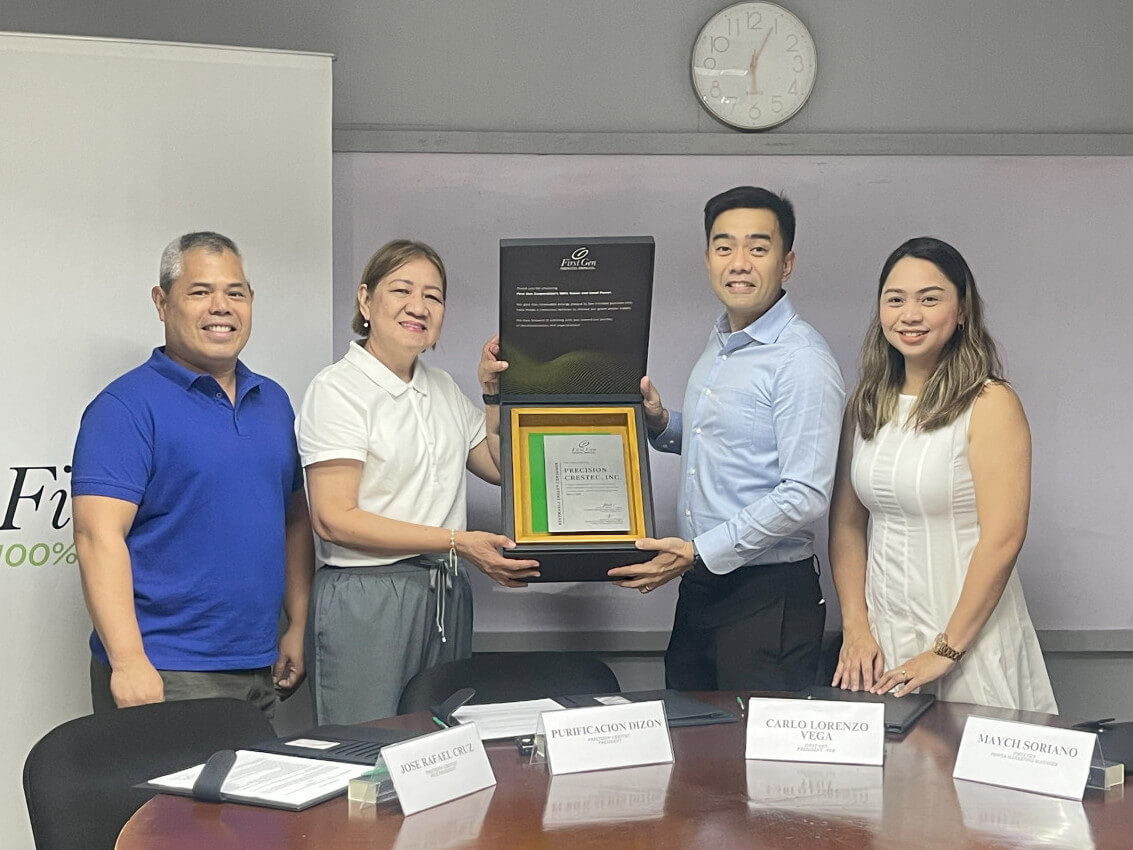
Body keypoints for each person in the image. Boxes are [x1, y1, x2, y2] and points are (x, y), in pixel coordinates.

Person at [608, 186, 845, 691]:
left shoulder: (801, 359)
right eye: (724, 247)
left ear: (787, 263)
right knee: (694, 750)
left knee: (758, 764)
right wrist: (659, 423)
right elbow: (724, 447)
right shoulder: (722, 343)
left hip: (768, 596)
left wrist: (698, 552)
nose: (739, 262)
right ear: (708, 258)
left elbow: (805, 493)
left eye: (758, 248)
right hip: (701, 588)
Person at [71, 232, 314, 717]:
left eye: (236, 293)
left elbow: (293, 521)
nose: (221, 307)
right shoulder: (124, 408)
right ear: (162, 303)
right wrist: (128, 661)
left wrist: (295, 626)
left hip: (259, 666)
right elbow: (97, 537)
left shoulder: (274, 402)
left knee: (252, 796)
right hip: (165, 671)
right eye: (200, 292)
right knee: (165, 799)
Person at [297, 239, 539, 725]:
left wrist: (493, 395)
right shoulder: (337, 390)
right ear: (366, 301)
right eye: (402, 289)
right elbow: (332, 518)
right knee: (367, 753)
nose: (418, 306)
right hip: (368, 594)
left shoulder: (442, 387)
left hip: (445, 589)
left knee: (440, 749)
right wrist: (456, 541)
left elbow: (500, 468)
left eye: (433, 296)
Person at [828, 236, 1056, 712]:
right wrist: (856, 628)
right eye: (896, 299)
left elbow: (1003, 537)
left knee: (980, 781)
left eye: (930, 299)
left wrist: (945, 649)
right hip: (883, 636)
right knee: (894, 780)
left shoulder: (990, 403)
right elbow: (847, 525)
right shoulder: (865, 404)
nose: (910, 314)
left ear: (962, 311)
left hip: (968, 635)